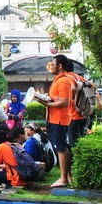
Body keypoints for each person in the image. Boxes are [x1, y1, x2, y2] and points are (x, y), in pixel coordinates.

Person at [35, 55, 73, 188]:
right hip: (55, 119)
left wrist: (45, 103)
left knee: (61, 149)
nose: (50, 66)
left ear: (60, 66)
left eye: (53, 63)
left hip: (59, 120)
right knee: (62, 148)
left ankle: (63, 178)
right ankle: (67, 176)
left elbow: (64, 102)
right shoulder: (58, 81)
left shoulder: (63, 81)